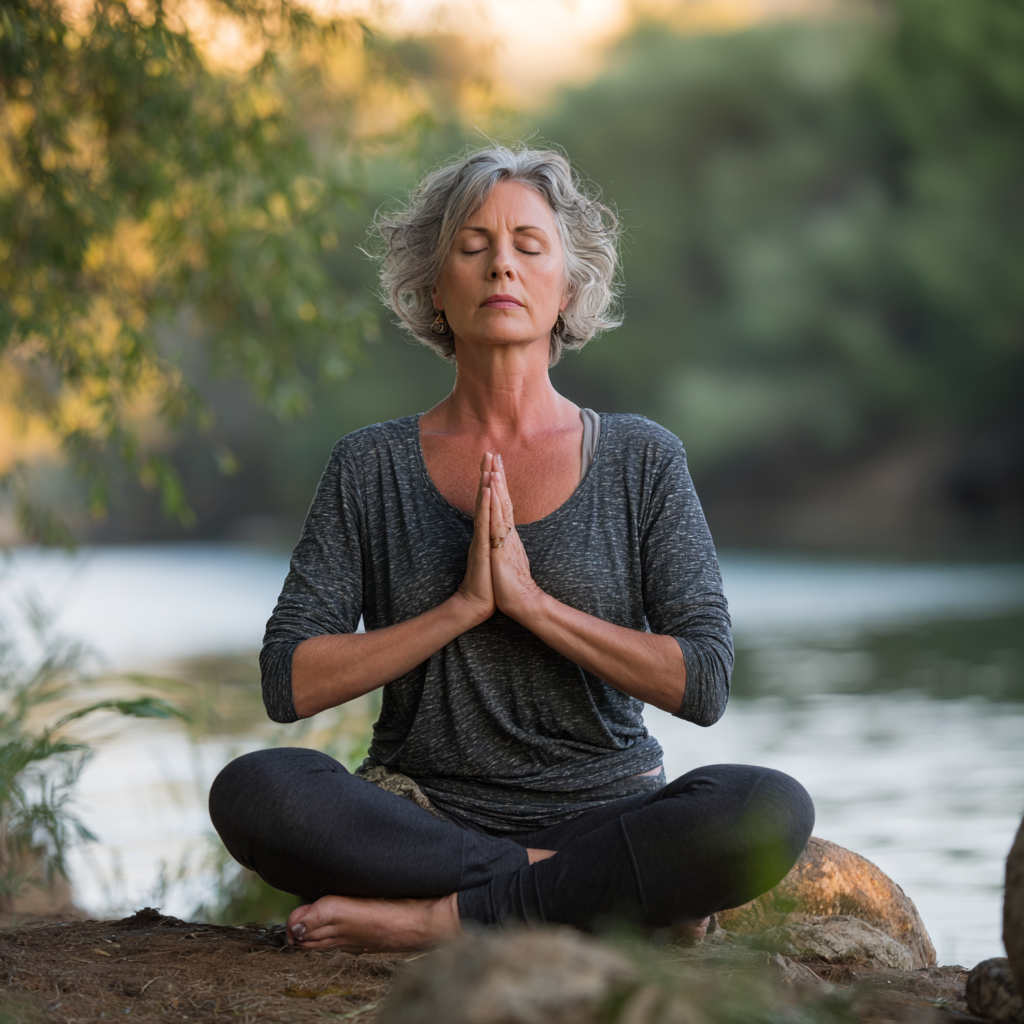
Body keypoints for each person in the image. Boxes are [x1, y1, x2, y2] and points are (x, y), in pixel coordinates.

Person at [209, 144, 814, 953]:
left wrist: (533, 606)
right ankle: (573, 892)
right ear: (434, 287)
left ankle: (442, 920)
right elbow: (288, 680)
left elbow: (704, 681)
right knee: (256, 790)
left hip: (606, 812)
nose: (502, 265)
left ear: (568, 288)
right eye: (473, 246)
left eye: (529, 246)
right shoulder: (370, 465)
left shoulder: (642, 459)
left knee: (768, 808)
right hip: (425, 820)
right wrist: (461, 608)